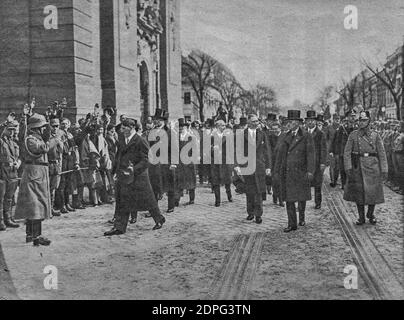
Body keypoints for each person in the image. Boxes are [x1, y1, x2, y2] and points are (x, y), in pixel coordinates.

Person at [104, 118, 166, 236]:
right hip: (124, 175)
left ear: (131, 128)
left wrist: (134, 168)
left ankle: (159, 218)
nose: (121, 130)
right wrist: (114, 172)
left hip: (139, 176)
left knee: (148, 200)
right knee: (122, 200)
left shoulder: (140, 140)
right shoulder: (122, 139)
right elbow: (118, 157)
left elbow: (147, 159)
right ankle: (119, 227)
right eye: (121, 128)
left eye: (124, 128)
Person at [343, 111, 388, 225]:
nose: (362, 123)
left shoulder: (375, 135)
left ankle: (370, 214)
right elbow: (347, 152)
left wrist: (384, 169)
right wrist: (348, 167)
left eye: (364, 120)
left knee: (373, 192)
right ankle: (361, 217)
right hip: (358, 166)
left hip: (373, 166)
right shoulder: (353, 135)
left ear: (369, 121)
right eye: (360, 120)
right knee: (359, 193)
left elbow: (382, 153)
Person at [15, 114, 52, 246]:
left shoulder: (37, 138)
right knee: (36, 205)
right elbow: (40, 149)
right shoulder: (30, 139)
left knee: (34, 204)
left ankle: (30, 235)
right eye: (43, 127)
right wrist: (50, 141)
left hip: (38, 173)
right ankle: (36, 236)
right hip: (34, 173)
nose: (44, 129)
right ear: (37, 128)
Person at [275, 110, 315, 232]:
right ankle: (292, 223)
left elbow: (311, 154)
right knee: (289, 199)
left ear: (298, 123)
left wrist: (310, 170)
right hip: (287, 172)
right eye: (289, 121)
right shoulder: (285, 136)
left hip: (301, 172)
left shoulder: (306, 135)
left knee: (300, 197)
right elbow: (280, 155)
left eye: (293, 121)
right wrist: (276, 170)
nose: (290, 124)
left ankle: (301, 218)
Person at [234, 114, 271, 225]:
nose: (256, 123)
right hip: (246, 166)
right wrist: (237, 165)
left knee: (259, 191)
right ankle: (250, 212)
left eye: (257, 121)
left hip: (259, 166)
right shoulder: (241, 135)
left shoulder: (262, 134)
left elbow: (267, 151)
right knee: (249, 190)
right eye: (254, 121)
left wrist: (268, 166)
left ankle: (258, 214)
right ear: (249, 122)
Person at [0, 120, 21, 231]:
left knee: (9, 198)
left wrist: (18, 163)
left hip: (13, 173)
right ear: (4, 130)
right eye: (10, 130)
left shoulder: (14, 143)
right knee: (1, 198)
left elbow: (18, 157)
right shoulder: (1, 142)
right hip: (2, 173)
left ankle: (8, 218)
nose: (12, 132)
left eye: (13, 130)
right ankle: (1, 221)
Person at [305, 111, 327, 209]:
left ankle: (318, 202)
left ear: (315, 121)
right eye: (308, 120)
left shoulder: (320, 134)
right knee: (304, 184)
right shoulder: (303, 132)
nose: (310, 122)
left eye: (312, 120)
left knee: (318, 184)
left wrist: (323, 162)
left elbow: (323, 149)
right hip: (305, 162)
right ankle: (303, 202)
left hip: (317, 162)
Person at [330, 111, 355, 189]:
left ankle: (351, 184)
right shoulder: (342, 128)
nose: (353, 117)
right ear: (347, 117)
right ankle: (344, 184)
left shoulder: (357, 127)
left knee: (353, 168)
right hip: (343, 152)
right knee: (343, 168)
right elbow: (337, 140)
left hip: (353, 152)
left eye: (354, 116)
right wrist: (336, 152)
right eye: (351, 116)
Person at [210, 120, 233, 207]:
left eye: (224, 126)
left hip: (225, 161)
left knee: (227, 180)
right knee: (216, 181)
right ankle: (217, 200)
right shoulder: (212, 136)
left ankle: (229, 195)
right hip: (215, 162)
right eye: (222, 126)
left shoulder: (228, 136)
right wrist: (212, 149)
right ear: (217, 126)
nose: (224, 127)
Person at [48, 118, 64, 217]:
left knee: (53, 188)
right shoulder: (47, 136)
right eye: (53, 126)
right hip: (49, 164)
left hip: (57, 163)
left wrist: (59, 141)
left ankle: (51, 208)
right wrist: (55, 140)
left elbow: (62, 151)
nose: (55, 128)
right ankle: (47, 209)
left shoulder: (60, 136)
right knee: (47, 188)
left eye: (57, 126)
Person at [392, 121, 404, 194]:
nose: (397, 128)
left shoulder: (403, 136)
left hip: (400, 154)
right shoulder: (400, 135)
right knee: (398, 171)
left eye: (399, 126)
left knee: (402, 171)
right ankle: (400, 186)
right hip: (397, 153)